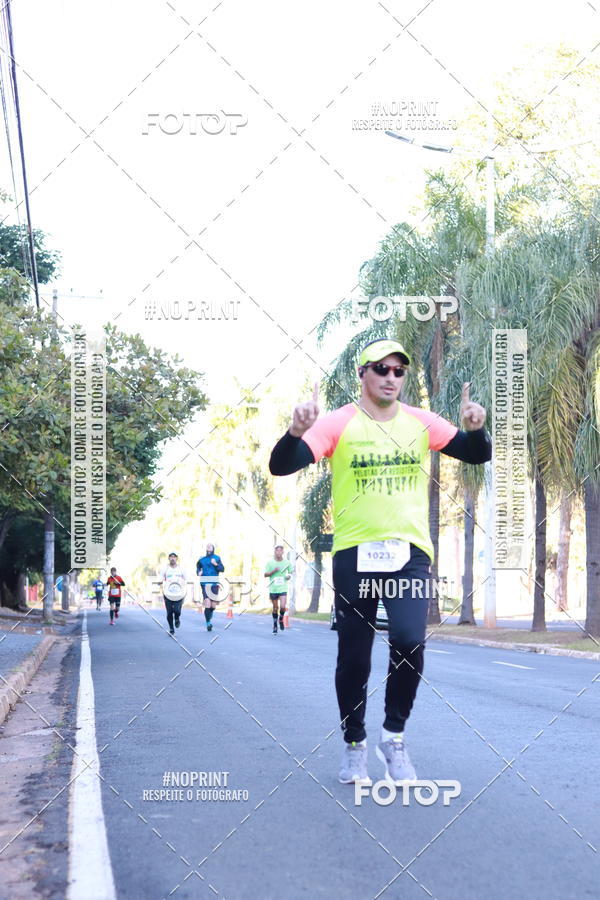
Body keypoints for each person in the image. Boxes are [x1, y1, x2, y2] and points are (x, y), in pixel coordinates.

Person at [269, 338, 491, 786]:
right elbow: (281, 466)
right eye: (382, 369)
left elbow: (475, 453)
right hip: (355, 553)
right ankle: (355, 744)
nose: (392, 377)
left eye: (399, 371)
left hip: (409, 554)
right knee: (354, 657)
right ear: (363, 375)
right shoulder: (338, 423)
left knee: (409, 641)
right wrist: (295, 431)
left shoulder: (420, 422)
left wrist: (476, 428)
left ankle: (393, 736)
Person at [264, 545, 293, 633]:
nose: (279, 552)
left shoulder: (287, 562)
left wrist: (289, 576)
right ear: (275, 552)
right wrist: (274, 571)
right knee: (275, 608)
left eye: (281, 551)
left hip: (283, 587)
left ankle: (281, 619)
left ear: (283, 552)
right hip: (273, 589)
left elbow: (291, 572)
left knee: (283, 606)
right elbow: (265, 574)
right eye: (277, 551)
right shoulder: (270, 563)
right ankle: (275, 624)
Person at [196, 543, 225, 632]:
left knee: (213, 605)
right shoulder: (201, 559)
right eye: (207, 545)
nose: (208, 546)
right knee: (207, 603)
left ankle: (210, 612)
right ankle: (208, 623)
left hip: (214, 584)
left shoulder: (217, 558)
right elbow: (198, 568)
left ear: (213, 548)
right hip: (205, 583)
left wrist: (216, 564)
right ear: (206, 548)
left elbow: (222, 569)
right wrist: (198, 572)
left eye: (210, 546)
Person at [160, 552, 188, 635]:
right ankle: (171, 628)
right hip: (167, 593)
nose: (172, 558)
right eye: (171, 557)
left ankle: (177, 618)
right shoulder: (165, 569)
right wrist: (159, 582)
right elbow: (160, 579)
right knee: (169, 612)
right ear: (169, 558)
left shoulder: (181, 569)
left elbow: (186, 579)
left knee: (177, 610)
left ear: (176, 558)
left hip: (179, 593)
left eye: (174, 557)